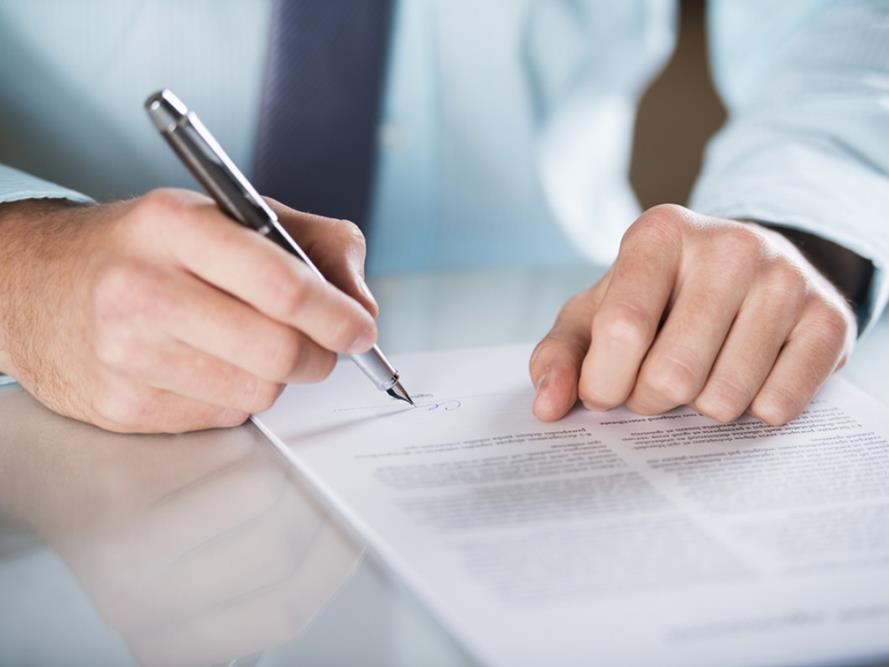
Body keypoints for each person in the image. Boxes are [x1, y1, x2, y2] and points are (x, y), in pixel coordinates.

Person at [0, 1, 886, 434]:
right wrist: (16, 274)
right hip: (65, 424)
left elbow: (839, 29)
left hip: (601, 336)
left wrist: (793, 232)